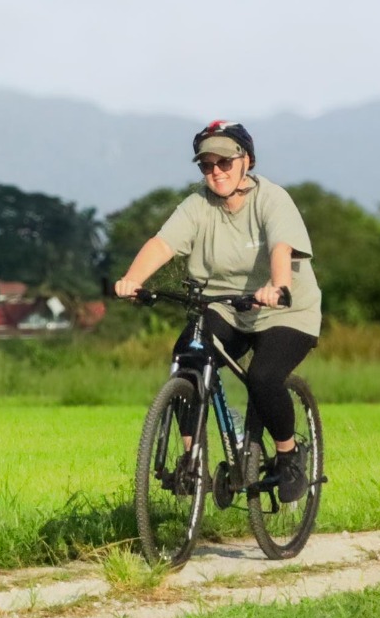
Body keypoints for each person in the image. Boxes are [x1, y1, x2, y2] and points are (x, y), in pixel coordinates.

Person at [113, 120, 322, 500]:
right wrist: (132, 279)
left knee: (263, 378)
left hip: (285, 311)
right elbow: (163, 244)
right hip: (225, 307)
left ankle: (289, 456)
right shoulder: (197, 205)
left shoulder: (272, 199)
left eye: (225, 162)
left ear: (247, 161)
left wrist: (278, 286)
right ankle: (192, 459)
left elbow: (281, 247)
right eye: (207, 165)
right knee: (188, 358)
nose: (216, 172)